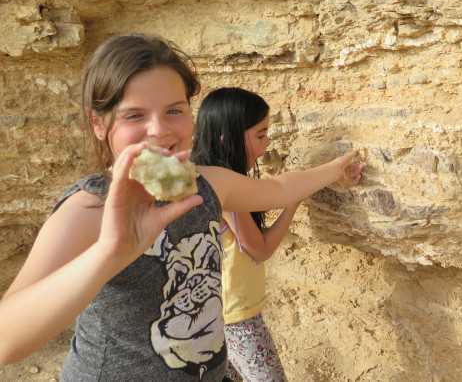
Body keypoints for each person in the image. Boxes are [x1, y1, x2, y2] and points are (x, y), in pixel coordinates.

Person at [0, 34, 364, 382]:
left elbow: (275, 189)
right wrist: (110, 253)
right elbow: (7, 338)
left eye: (174, 110)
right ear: (99, 124)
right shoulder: (90, 208)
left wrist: (335, 169)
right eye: (134, 115)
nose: (159, 130)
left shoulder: (206, 183)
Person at [192, 87, 296, 381]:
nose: (266, 144)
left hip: (217, 315)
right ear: (229, 139)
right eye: (260, 135)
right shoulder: (226, 191)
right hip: (236, 319)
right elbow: (259, 249)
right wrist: (292, 205)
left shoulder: (204, 176)